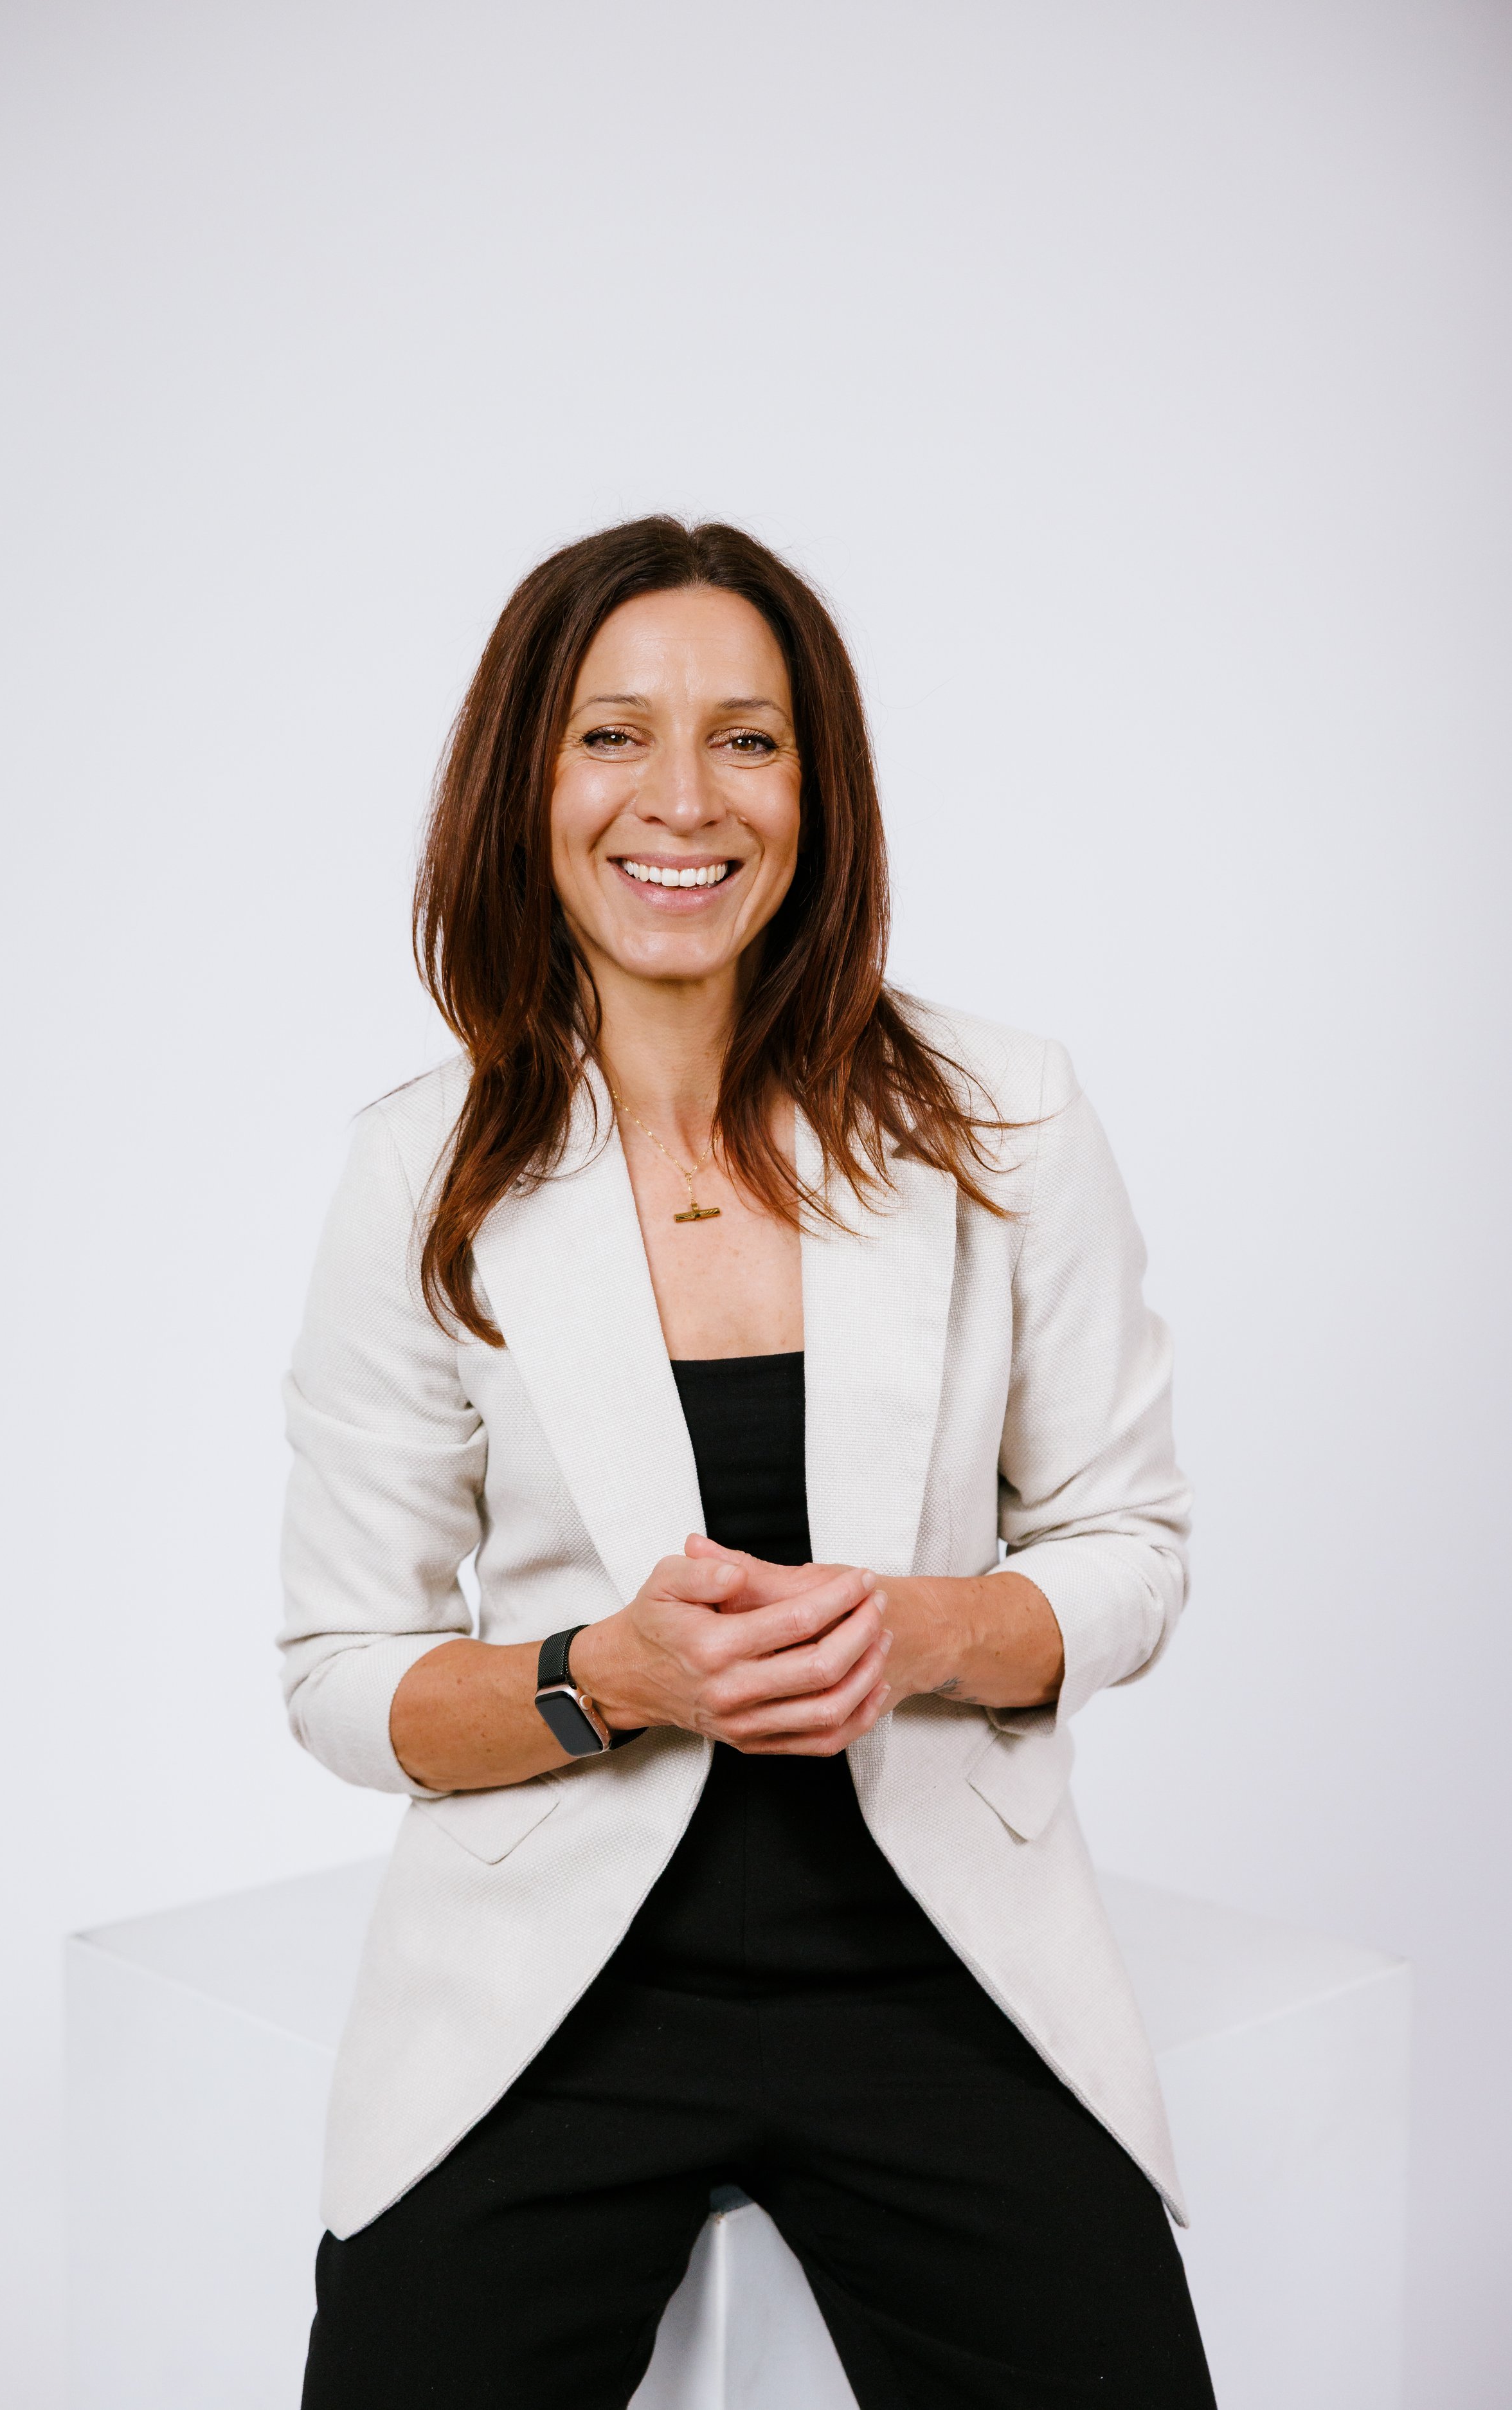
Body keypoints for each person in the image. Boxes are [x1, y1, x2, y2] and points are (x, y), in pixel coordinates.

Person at [281, 516, 1215, 2409]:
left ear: (819, 786)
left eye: (750, 738)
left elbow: (1129, 1542)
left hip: (934, 1972)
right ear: (526, 783)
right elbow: (341, 1674)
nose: (680, 799)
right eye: (611, 734)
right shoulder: (420, 1166)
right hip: (553, 1995)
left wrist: (924, 1628)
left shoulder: (1006, 1114)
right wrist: (596, 1676)